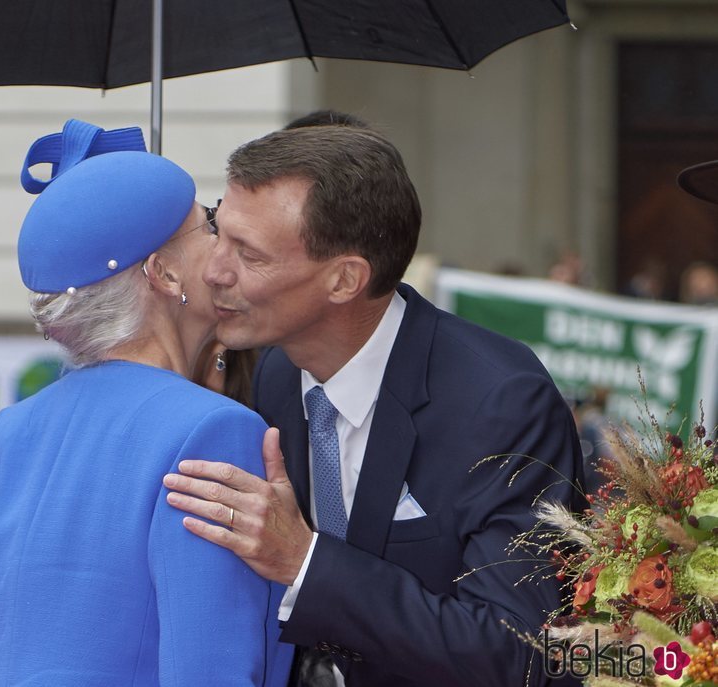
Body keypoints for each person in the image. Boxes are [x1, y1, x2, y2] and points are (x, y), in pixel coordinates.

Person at [162, 125, 587, 686]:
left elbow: (519, 650)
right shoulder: (276, 373)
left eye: (249, 254)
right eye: (219, 230)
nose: (215, 269)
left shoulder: (502, 403)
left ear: (344, 279)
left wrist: (307, 562)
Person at [0, 120, 292, 686]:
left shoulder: (10, 433)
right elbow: (211, 671)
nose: (223, 241)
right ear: (163, 272)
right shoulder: (214, 429)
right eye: (208, 224)